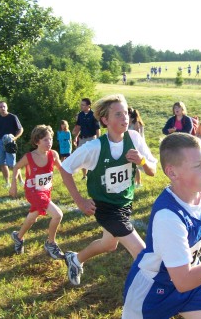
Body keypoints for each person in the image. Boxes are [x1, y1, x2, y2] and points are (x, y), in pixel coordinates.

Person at [122, 133, 201, 319]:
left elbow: (186, 279)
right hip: (153, 292)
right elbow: (183, 281)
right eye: (198, 165)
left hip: (191, 278)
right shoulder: (168, 217)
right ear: (172, 172)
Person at [60, 94, 157, 285]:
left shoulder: (134, 138)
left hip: (124, 203)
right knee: (141, 252)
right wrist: (80, 201)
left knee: (109, 244)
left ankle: (75, 259)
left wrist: (142, 162)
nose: (125, 118)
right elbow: (65, 168)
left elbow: (152, 171)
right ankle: (161, 293)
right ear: (105, 120)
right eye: (118, 114)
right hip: (104, 207)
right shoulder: (94, 147)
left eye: (126, 113)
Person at [9, 125, 64, 259]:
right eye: (45, 140)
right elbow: (16, 168)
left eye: (50, 139)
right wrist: (13, 185)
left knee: (32, 217)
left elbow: (63, 170)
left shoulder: (53, 154)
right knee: (57, 215)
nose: (49, 142)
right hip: (33, 191)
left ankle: (18, 236)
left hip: (46, 191)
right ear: (37, 141)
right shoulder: (29, 156)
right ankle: (50, 243)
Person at [0, 101, 24, 188]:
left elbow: (21, 129)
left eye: (4, 106)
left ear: (7, 107)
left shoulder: (13, 117)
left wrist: (14, 138)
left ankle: (21, 181)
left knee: (12, 164)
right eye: (1, 107)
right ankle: (7, 182)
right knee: (2, 163)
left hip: (10, 142)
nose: (2, 108)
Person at [72, 98, 101, 180]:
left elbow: (97, 129)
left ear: (88, 106)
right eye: (81, 104)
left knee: (92, 158)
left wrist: (99, 140)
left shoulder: (94, 115)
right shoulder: (80, 115)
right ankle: (85, 176)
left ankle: (94, 175)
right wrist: (75, 137)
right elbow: (78, 127)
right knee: (82, 156)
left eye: (83, 105)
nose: (81, 106)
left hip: (91, 138)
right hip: (82, 139)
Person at [128, 107, 145, 188]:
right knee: (132, 165)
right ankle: (134, 182)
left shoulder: (136, 123)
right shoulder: (130, 123)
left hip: (137, 146)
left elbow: (137, 137)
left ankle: (139, 183)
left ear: (130, 115)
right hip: (131, 146)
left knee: (136, 166)